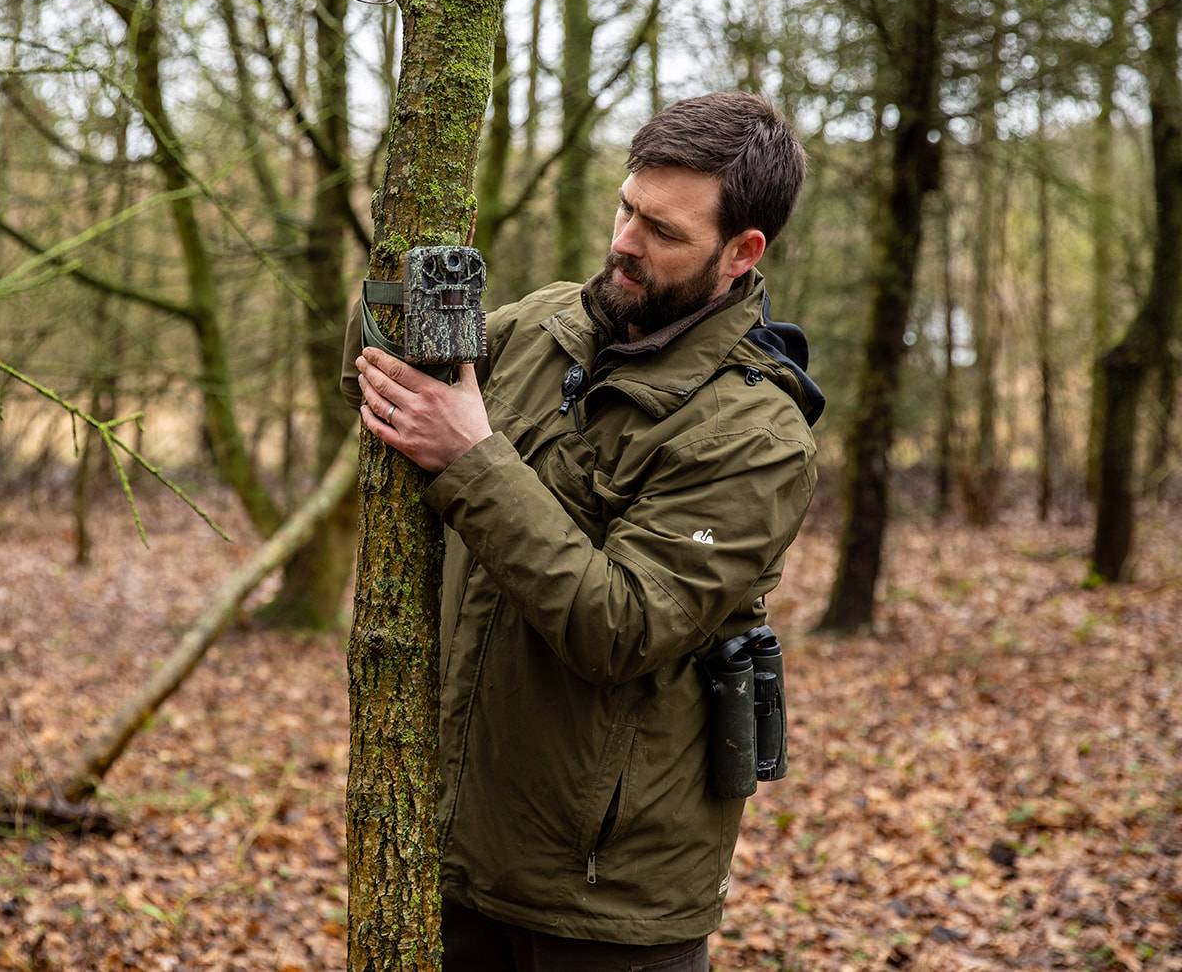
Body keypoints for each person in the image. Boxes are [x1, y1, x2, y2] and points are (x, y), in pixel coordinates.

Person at [341, 91, 823, 971]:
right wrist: (402, 281)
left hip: (608, 904)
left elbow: (622, 625)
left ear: (741, 252)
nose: (625, 243)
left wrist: (471, 457)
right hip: (449, 855)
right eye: (626, 207)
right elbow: (377, 384)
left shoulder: (756, 437)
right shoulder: (543, 327)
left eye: (664, 231)